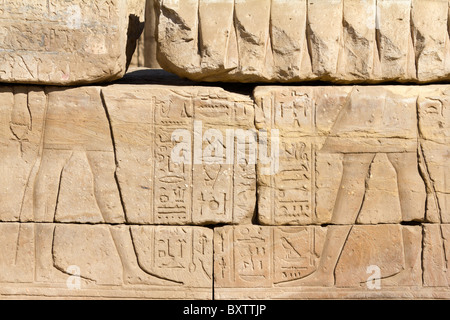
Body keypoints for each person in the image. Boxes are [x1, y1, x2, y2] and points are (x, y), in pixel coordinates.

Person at [282, 87, 426, 287]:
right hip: (385, 92)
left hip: (382, 92)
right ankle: (326, 271)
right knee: (389, 169)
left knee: (398, 167)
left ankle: (411, 270)